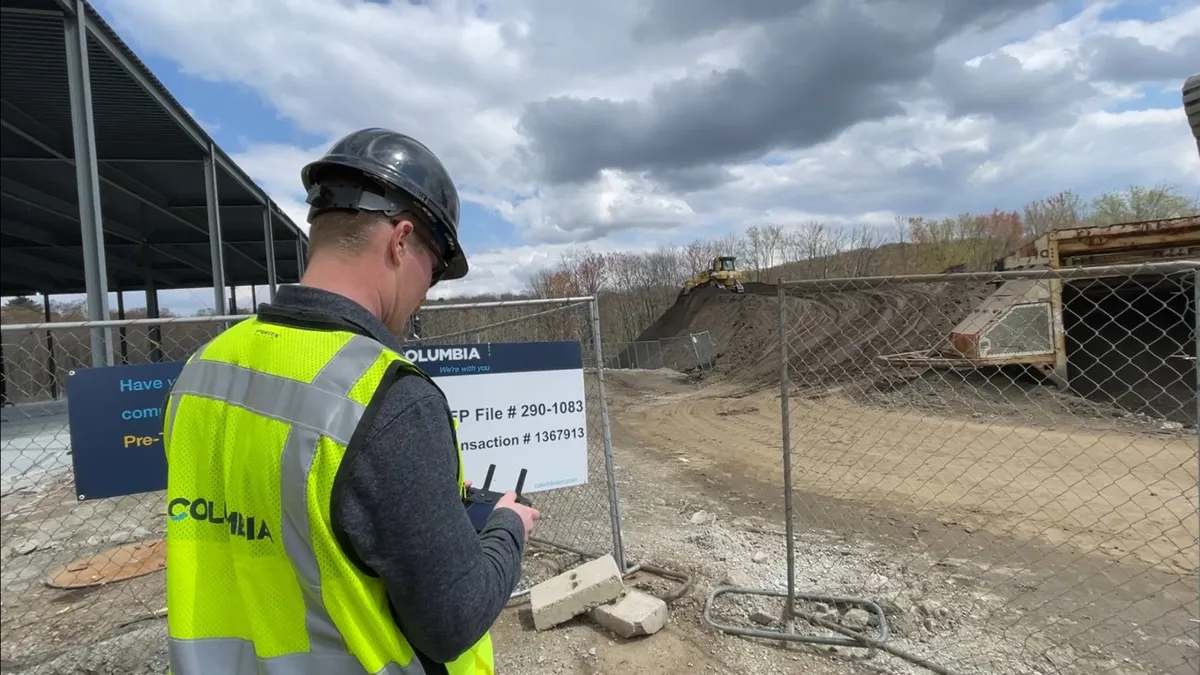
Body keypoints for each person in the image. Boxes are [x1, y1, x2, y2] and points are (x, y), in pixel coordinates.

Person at [161, 127, 540, 675]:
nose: (421, 298)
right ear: (401, 241)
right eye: (430, 275)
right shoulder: (388, 401)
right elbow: (454, 620)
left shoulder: (205, 368)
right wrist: (507, 527)